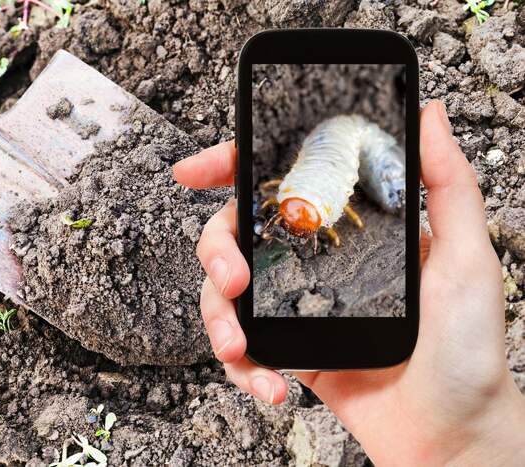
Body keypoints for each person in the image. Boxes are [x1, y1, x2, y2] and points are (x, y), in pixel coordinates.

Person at [173, 101, 525, 465]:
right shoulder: (305, 190)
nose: (291, 228)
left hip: (352, 142)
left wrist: (476, 432)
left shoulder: (333, 183)